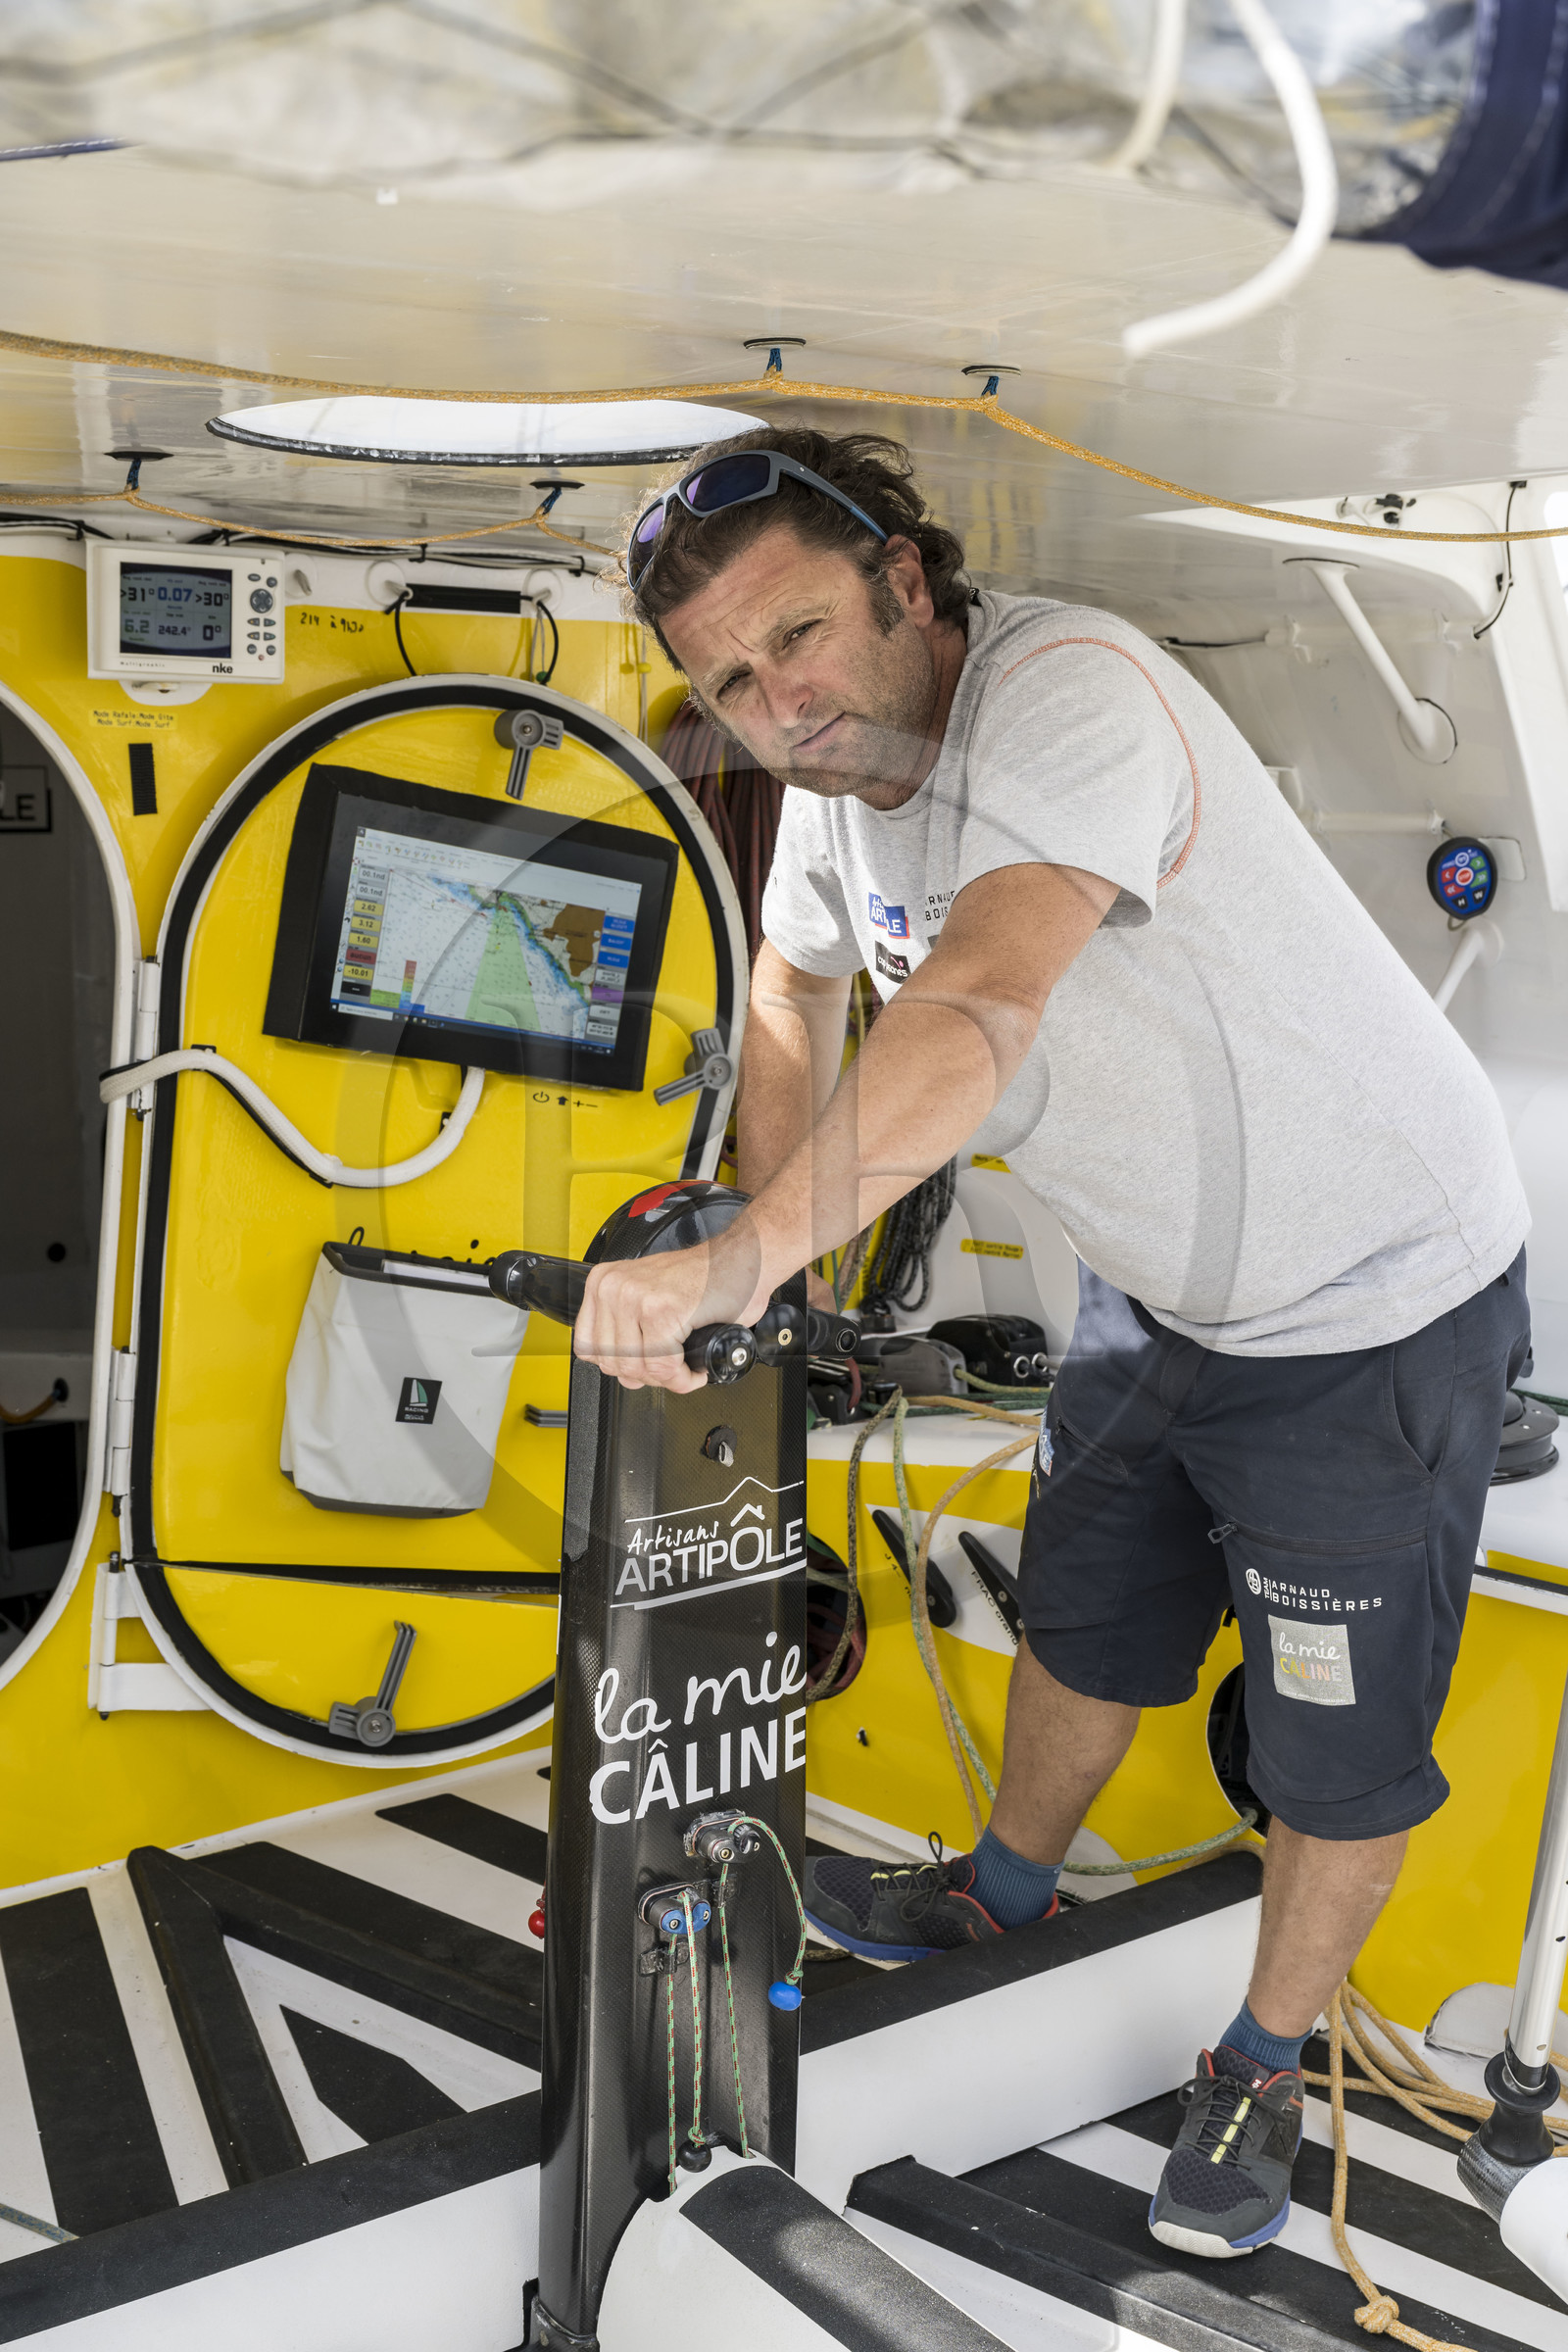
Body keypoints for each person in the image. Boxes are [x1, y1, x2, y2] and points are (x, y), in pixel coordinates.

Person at [574, 425, 1531, 2260]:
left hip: (1374, 1298)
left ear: (908, 585)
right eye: (732, 682)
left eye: (803, 636)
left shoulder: (1068, 696)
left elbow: (983, 1001)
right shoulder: (842, 785)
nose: (780, 700)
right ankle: (1004, 1895)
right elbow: (792, 983)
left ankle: (1263, 2059)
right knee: (1085, 1611)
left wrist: (746, 1260)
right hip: (1166, 1288)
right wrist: (772, 1271)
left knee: (1336, 1756)